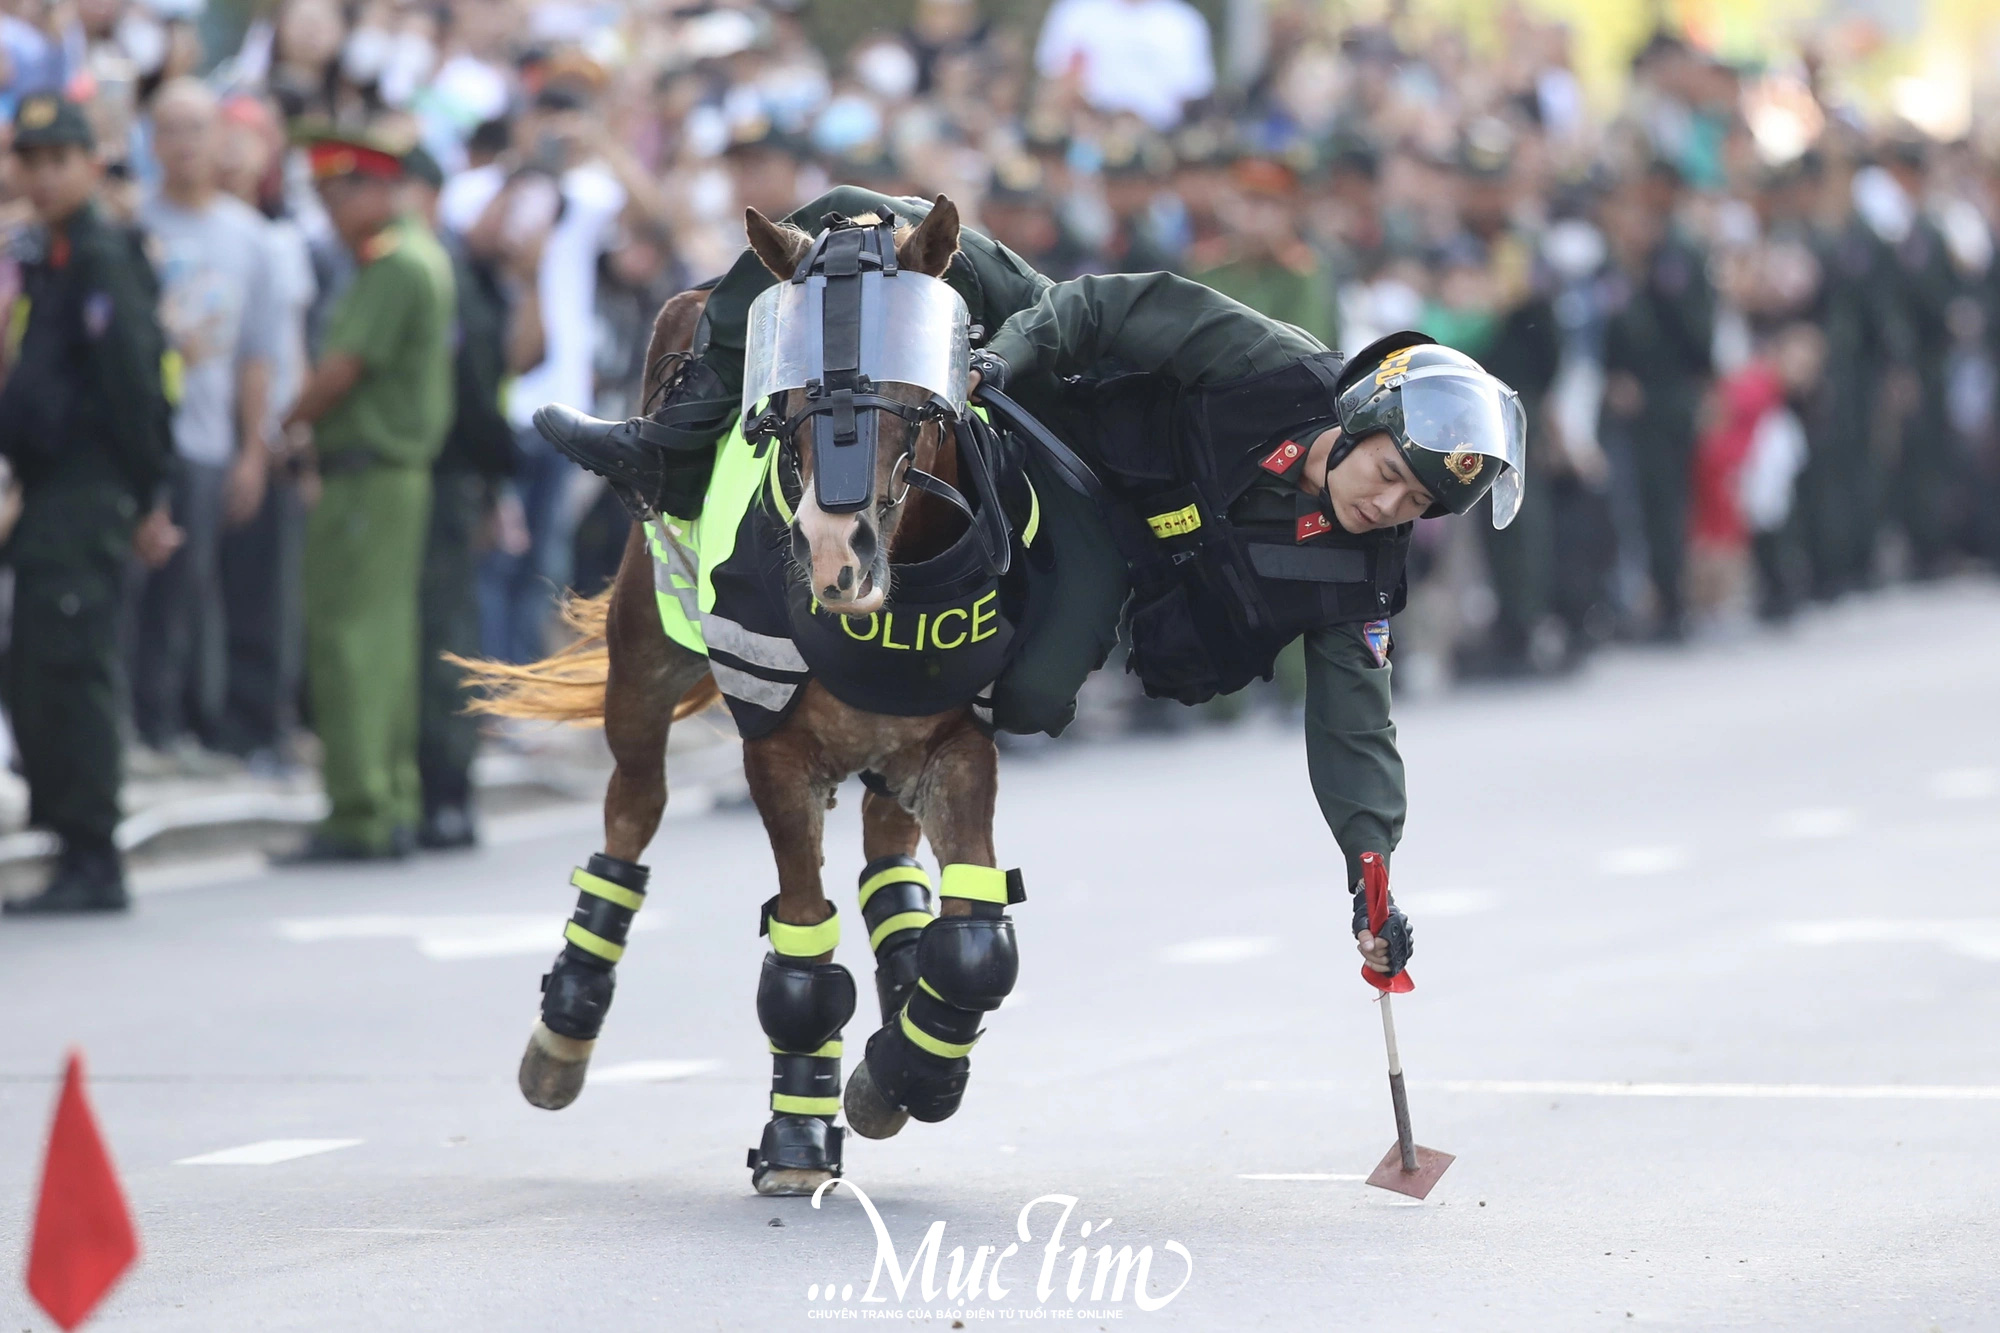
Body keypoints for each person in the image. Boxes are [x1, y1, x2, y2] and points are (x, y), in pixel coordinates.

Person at [0, 95, 175, 914]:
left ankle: (93, 851)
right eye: (27, 161)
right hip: (51, 489)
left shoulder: (103, 255)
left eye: (54, 160)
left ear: (87, 165)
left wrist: (145, 494)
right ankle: (70, 837)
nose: (39, 176)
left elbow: (136, 385)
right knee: (40, 666)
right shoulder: (53, 255)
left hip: (90, 488)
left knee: (72, 665)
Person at [274, 128, 454, 863]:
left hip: (366, 470)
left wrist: (282, 425)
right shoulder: (418, 255)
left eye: (335, 192)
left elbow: (343, 366)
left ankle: (359, 807)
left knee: (350, 638)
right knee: (383, 639)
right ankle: (390, 796)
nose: (327, 210)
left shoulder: (392, 264)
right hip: (392, 474)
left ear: (375, 187)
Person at [130, 78, 279, 766]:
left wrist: (253, 449)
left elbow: (256, 356)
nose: (184, 144)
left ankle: (172, 723)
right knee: (130, 582)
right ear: (152, 141)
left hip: (206, 435)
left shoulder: (247, 237)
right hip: (136, 435)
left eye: (196, 128)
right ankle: (132, 722)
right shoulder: (133, 225)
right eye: (170, 128)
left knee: (190, 586)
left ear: (219, 138)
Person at [403, 144, 529, 849]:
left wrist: (491, 479)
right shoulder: (438, 267)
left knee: (441, 632)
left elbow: (479, 391)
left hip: (445, 474)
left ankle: (445, 788)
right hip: (440, 473)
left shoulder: (442, 271)